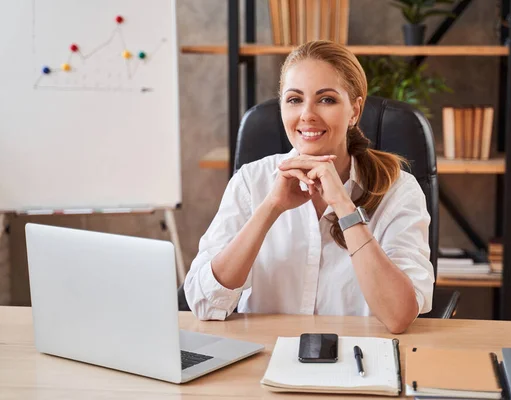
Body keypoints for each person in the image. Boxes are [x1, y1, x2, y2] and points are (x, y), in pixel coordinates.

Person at [184, 40, 434, 333]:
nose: (307, 114)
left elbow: (398, 316)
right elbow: (203, 302)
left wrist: (345, 207)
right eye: (294, 100)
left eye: (326, 99)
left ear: (354, 111)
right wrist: (270, 208)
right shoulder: (252, 181)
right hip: (265, 359)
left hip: (358, 359)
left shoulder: (397, 190)